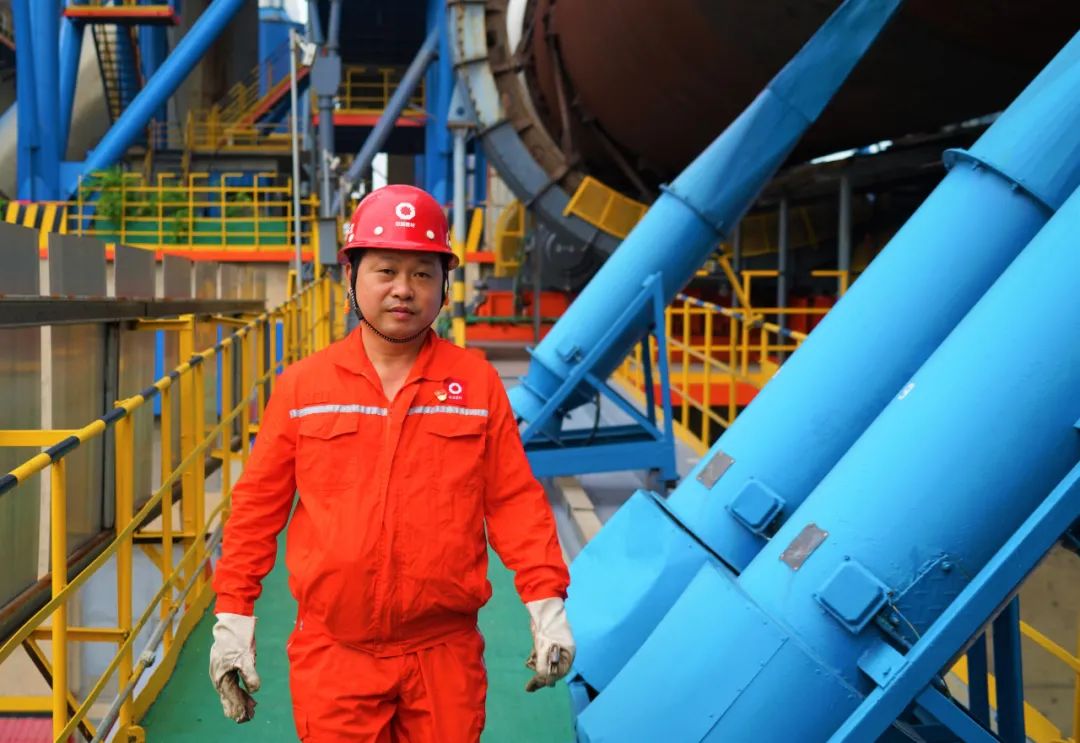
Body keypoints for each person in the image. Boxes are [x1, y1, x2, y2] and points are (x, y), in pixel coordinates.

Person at [208, 184, 574, 741]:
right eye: (386, 271)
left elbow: (514, 503)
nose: (404, 289)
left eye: (422, 273)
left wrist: (546, 605)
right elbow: (257, 509)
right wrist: (234, 615)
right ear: (350, 275)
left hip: (443, 655)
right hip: (335, 654)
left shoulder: (475, 385)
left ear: (443, 286)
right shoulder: (304, 387)